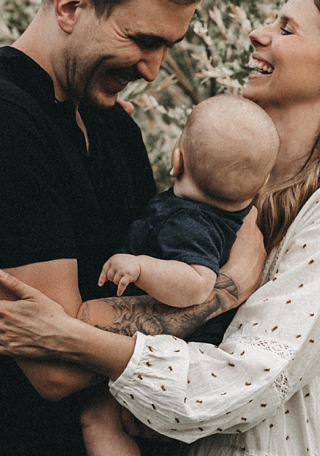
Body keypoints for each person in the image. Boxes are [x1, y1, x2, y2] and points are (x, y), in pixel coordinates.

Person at [0, 0, 320, 456]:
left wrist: (73, 338)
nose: (258, 33)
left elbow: (249, 380)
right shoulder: (234, 189)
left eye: (287, 29)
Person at [0, 0, 267, 456]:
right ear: (70, 5)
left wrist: (87, 323)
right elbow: (54, 368)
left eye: (166, 47)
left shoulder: (110, 128)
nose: (153, 69)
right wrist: (224, 289)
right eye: (142, 40)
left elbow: (101, 306)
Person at [82, 95, 280, 456]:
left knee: (97, 419)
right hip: (182, 354)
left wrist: (142, 267)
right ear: (262, 183)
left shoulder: (189, 221)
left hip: (173, 352)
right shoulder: (231, 217)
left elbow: (197, 283)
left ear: (177, 160)